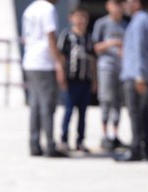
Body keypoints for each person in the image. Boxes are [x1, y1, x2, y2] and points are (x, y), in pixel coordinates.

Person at [116, 0, 148, 162]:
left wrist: (139, 75)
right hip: (147, 75)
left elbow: (139, 49)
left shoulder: (139, 22)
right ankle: (147, 150)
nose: (125, 5)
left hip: (136, 76)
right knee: (145, 113)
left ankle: (136, 149)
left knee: (135, 113)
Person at [22, 0, 68, 157]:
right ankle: (50, 144)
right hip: (43, 62)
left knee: (35, 104)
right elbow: (51, 37)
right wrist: (59, 62)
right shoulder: (48, 9)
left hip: (30, 61)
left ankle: (34, 144)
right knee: (47, 106)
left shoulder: (31, 8)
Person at [58, 5, 96, 153]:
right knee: (68, 110)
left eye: (84, 17)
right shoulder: (67, 36)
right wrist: (61, 75)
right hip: (71, 80)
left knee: (83, 113)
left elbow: (93, 59)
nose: (82, 20)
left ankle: (80, 141)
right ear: (71, 18)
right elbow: (61, 57)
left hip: (85, 80)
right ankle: (64, 139)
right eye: (79, 17)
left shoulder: (88, 37)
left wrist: (95, 80)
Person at [92, 0, 127, 150]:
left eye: (120, 3)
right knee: (106, 99)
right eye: (115, 3)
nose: (118, 7)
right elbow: (94, 47)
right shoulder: (102, 23)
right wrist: (111, 43)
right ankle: (104, 135)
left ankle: (115, 135)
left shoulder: (127, 24)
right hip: (106, 66)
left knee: (118, 101)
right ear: (108, 5)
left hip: (122, 67)